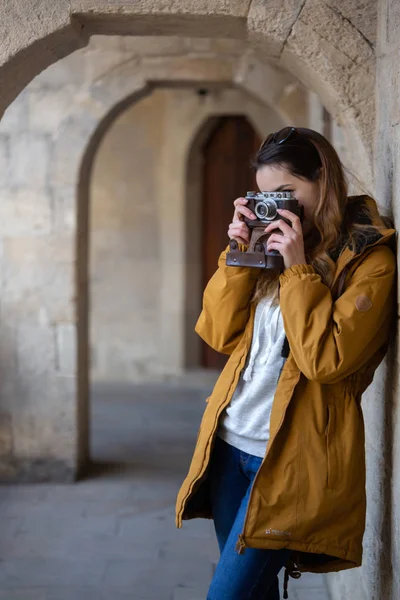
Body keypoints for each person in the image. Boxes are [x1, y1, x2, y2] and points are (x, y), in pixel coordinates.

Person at [175, 127, 397, 599]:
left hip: (291, 463)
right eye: (267, 196)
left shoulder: (368, 261)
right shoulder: (266, 246)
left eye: (289, 193)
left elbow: (326, 360)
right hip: (231, 445)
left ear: (324, 181)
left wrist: (297, 268)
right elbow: (216, 333)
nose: (279, 207)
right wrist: (240, 254)